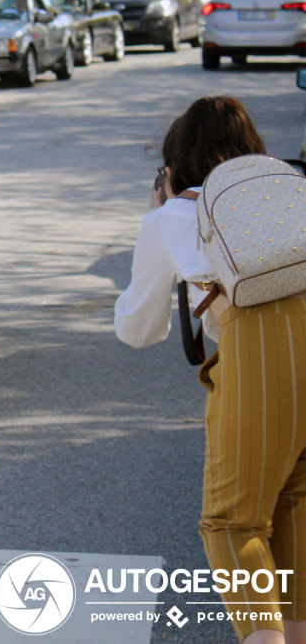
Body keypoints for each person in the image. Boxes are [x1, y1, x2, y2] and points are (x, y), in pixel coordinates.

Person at [115, 96, 305, 644]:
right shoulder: (287, 190)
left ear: (172, 169)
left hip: (266, 352)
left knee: (232, 522)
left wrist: (158, 219)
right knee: (296, 503)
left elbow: (138, 329)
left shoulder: (173, 215)